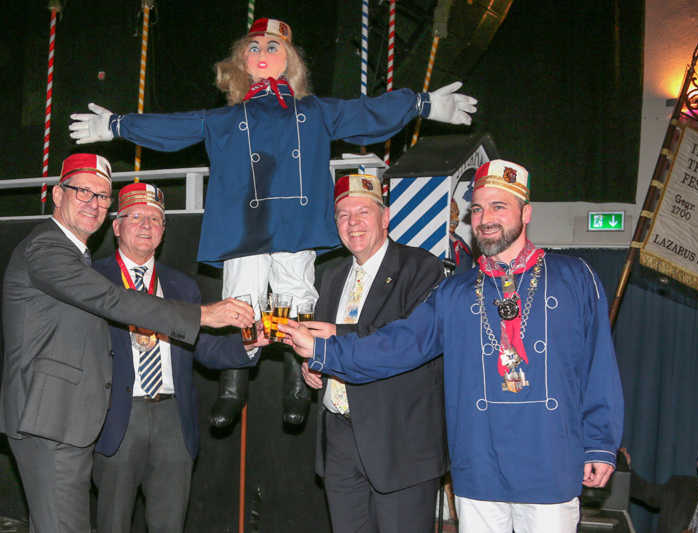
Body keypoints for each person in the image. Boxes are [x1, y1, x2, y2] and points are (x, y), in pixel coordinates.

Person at [68, 17, 478, 428]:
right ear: (240, 63)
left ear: (290, 60)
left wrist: (420, 104)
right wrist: (117, 125)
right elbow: (176, 126)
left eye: (272, 47)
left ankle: (297, 381)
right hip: (244, 226)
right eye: (254, 48)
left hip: (295, 224)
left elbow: (364, 112)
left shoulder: (314, 112)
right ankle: (233, 385)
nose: (262, 54)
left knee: (296, 296)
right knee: (240, 299)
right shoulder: (227, 118)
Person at [282, 159, 624, 533]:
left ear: (526, 213)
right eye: (477, 209)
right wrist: (325, 352)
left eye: (498, 206)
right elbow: (399, 344)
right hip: (479, 470)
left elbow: (599, 367)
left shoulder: (574, 277)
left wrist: (600, 443)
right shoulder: (455, 291)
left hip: (550, 462)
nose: (485, 218)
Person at [0, 153, 253, 533]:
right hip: (56, 419)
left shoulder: (84, 259)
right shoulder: (49, 249)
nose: (94, 202)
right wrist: (204, 314)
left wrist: (248, 343)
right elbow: (112, 301)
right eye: (83, 191)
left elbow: (201, 348)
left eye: (102, 196)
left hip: (75, 421)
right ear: (57, 194)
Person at [92, 181, 268, 533]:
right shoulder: (93, 278)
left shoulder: (181, 286)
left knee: (170, 525)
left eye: (156, 219)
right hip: (116, 417)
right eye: (136, 217)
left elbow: (206, 349)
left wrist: (248, 345)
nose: (146, 225)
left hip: (173, 420)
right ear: (116, 227)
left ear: (163, 231)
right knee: (112, 523)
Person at [299, 174, 446, 532]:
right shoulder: (331, 276)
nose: (353, 223)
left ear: (386, 217)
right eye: (343, 215)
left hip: (399, 443)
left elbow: (405, 342)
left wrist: (334, 341)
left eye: (363, 212)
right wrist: (312, 367)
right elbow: (322, 346)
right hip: (339, 439)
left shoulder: (421, 268)